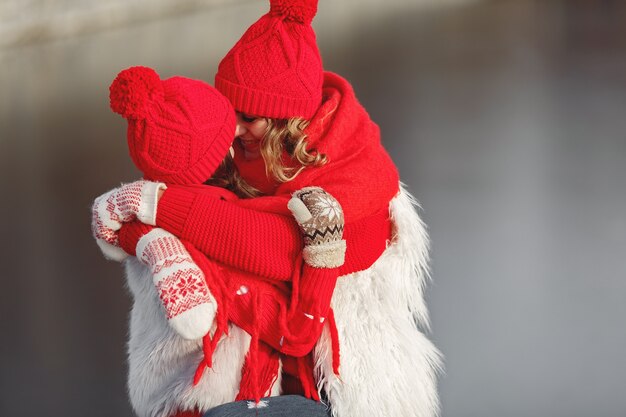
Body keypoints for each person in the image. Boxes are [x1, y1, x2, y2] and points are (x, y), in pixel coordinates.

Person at [93, 0, 442, 416]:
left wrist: (152, 206)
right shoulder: (246, 158)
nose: (234, 128)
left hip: (345, 393)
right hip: (264, 389)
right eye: (229, 109)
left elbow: (275, 249)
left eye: (249, 117)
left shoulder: (355, 170)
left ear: (287, 120)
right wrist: (143, 232)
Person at [92, 65, 349, 414]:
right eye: (231, 131)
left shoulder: (155, 222)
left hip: (167, 401)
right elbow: (296, 334)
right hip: (202, 408)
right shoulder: (207, 258)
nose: (242, 136)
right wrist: (324, 250)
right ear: (221, 154)